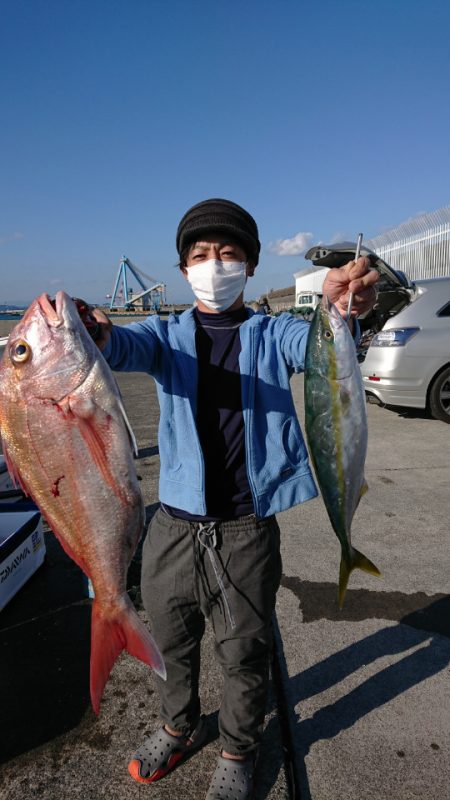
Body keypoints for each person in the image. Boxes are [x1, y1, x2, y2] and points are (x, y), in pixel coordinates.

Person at [89, 198, 378, 800]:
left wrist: (341, 309)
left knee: (245, 648)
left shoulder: (274, 332)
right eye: (199, 256)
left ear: (248, 266)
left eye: (227, 254)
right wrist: (93, 333)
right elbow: (119, 349)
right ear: (183, 267)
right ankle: (178, 723)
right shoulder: (163, 335)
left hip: (248, 529)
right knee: (171, 639)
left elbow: (320, 347)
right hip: (171, 527)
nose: (213, 265)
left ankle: (238, 748)